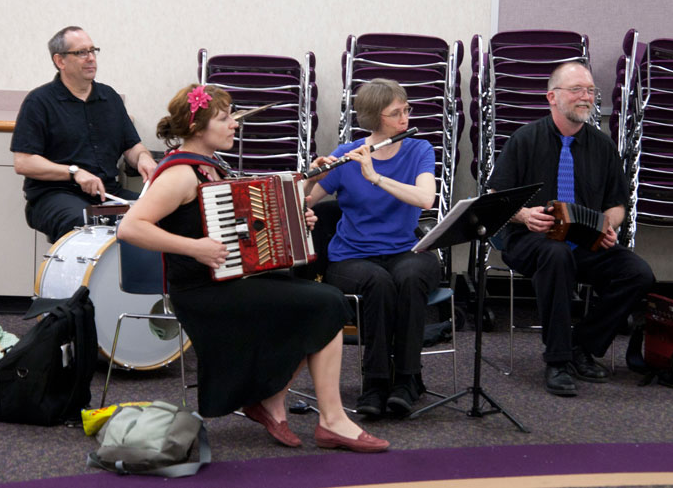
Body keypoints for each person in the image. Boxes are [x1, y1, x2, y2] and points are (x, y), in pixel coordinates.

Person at [117, 84, 389, 453]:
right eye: (225, 118)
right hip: (202, 292)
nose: (235, 125)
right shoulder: (180, 174)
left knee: (318, 298)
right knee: (326, 302)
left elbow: (243, 228)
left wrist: (298, 216)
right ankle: (329, 420)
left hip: (225, 281)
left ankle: (281, 404)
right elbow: (130, 228)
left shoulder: (210, 168)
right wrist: (194, 247)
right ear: (198, 127)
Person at [487, 62, 655, 397]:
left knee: (638, 273)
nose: (586, 97)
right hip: (530, 239)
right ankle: (558, 360)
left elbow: (618, 203)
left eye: (591, 91)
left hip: (585, 240)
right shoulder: (524, 140)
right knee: (556, 253)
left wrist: (609, 224)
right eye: (577, 90)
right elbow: (495, 198)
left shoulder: (602, 146)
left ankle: (582, 344)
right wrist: (523, 215)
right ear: (553, 96)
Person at [306, 78, 441, 417]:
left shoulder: (419, 150)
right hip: (351, 256)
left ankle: (407, 380)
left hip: (404, 249)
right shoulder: (346, 155)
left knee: (410, 277)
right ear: (375, 117)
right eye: (396, 113)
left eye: (406, 109)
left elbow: (426, 198)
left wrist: (376, 177)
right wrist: (310, 175)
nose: (405, 118)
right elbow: (305, 202)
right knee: (377, 282)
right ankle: (376, 383)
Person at [11, 26, 157, 243]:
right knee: (86, 225)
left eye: (92, 50)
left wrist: (144, 159)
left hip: (107, 194)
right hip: (56, 195)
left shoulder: (110, 98)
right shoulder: (39, 102)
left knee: (160, 216)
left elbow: (132, 147)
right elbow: (23, 163)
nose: (90, 58)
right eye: (81, 53)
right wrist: (74, 172)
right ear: (60, 61)